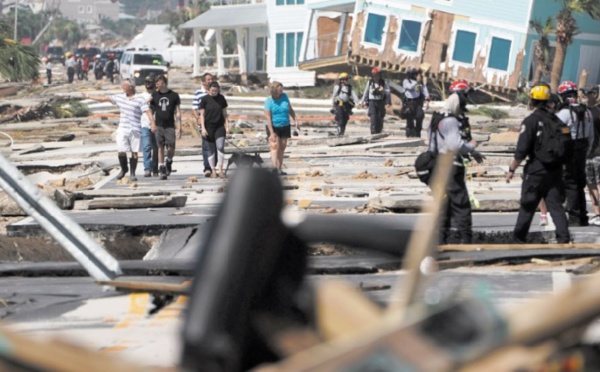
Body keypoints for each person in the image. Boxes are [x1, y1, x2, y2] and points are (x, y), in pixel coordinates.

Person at [506, 83, 572, 243]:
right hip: (555, 170)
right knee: (556, 206)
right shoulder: (556, 121)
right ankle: (564, 239)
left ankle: (518, 239)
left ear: (532, 101)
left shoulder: (531, 121)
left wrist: (511, 169)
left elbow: (522, 150)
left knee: (528, 205)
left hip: (536, 170)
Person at [429, 83, 484, 244]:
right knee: (461, 205)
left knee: (443, 206)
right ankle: (466, 241)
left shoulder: (438, 118)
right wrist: (472, 148)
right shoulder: (451, 121)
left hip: (438, 167)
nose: (467, 101)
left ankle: (441, 241)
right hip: (450, 168)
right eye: (465, 97)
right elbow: (455, 145)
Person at [82, 79, 154, 181]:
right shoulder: (120, 97)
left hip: (135, 129)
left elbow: (147, 111)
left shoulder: (140, 99)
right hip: (123, 128)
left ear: (130, 87)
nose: (122, 87)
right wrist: (90, 96)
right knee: (121, 150)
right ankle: (124, 169)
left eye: (124, 86)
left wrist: (153, 123)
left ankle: (133, 174)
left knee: (134, 152)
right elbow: (104, 98)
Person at [556, 80, 594, 226]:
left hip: (570, 150)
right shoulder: (587, 112)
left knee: (570, 183)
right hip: (583, 149)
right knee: (580, 183)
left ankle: (574, 217)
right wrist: (588, 150)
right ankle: (583, 215)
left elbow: (555, 134)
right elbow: (590, 135)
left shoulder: (564, 113)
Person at [264, 81, 299, 175]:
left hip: (285, 124)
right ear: (274, 91)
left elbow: (290, 109)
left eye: (282, 89)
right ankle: (274, 168)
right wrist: (271, 132)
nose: (281, 91)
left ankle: (279, 168)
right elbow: (268, 117)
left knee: (282, 147)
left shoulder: (285, 96)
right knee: (274, 146)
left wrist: (295, 120)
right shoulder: (269, 101)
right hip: (273, 125)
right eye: (279, 90)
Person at [151, 75, 181, 180]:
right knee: (160, 147)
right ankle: (162, 167)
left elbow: (177, 111)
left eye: (158, 82)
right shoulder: (154, 95)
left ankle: (169, 160)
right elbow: (151, 110)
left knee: (171, 146)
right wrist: (152, 124)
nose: (156, 85)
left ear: (163, 82)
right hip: (159, 125)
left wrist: (179, 127)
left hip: (170, 125)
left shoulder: (174, 95)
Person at [199, 82, 229, 178]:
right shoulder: (204, 99)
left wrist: (227, 126)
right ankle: (213, 170)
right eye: (212, 90)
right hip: (208, 127)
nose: (214, 92)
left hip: (219, 126)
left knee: (220, 146)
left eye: (216, 91)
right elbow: (202, 115)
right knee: (211, 150)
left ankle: (220, 169)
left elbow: (225, 114)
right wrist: (203, 128)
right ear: (209, 89)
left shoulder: (221, 98)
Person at [582, 86, 600, 225]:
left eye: (587, 93)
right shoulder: (585, 111)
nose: (584, 95)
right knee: (591, 185)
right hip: (588, 154)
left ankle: (598, 213)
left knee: (596, 184)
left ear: (594, 94)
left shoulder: (595, 112)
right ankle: (597, 214)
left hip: (595, 153)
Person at [192, 73, 214, 177]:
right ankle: (207, 167)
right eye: (208, 80)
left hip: (214, 122)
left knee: (214, 145)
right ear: (204, 81)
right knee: (206, 145)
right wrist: (198, 118)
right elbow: (194, 108)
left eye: (211, 79)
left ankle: (214, 166)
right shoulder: (198, 93)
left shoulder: (215, 92)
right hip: (203, 123)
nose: (210, 81)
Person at [360, 67, 391, 134]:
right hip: (372, 102)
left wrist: (383, 90)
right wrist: (362, 101)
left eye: (378, 75)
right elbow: (366, 92)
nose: (376, 77)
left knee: (380, 116)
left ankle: (379, 130)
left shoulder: (383, 82)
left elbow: (388, 92)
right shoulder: (370, 82)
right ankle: (373, 130)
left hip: (380, 102)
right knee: (373, 116)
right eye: (375, 75)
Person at [402, 67, 430, 138]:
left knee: (420, 116)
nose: (416, 76)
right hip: (409, 102)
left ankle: (417, 132)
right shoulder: (406, 81)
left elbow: (424, 90)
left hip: (417, 102)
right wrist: (417, 82)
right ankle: (409, 134)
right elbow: (410, 87)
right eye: (414, 74)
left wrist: (427, 100)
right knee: (410, 119)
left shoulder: (420, 83)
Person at [141, 74, 159, 177]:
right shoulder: (142, 96)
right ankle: (147, 169)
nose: (147, 84)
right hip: (145, 125)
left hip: (157, 125)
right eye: (146, 82)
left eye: (149, 82)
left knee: (156, 148)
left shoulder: (159, 95)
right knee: (147, 146)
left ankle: (155, 169)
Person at [331, 72, 358, 136]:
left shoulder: (349, 88)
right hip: (339, 105)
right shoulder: (337, 87)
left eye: (345, 80)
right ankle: (339, 131)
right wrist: (333, 106)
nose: (343, 81)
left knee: (345, 119)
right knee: (340, 118)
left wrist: (358, 103)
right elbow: (334, 96)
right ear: (340, 80)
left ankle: (342, 132)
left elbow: (354, 96)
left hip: (346, 106)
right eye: (342, 80)